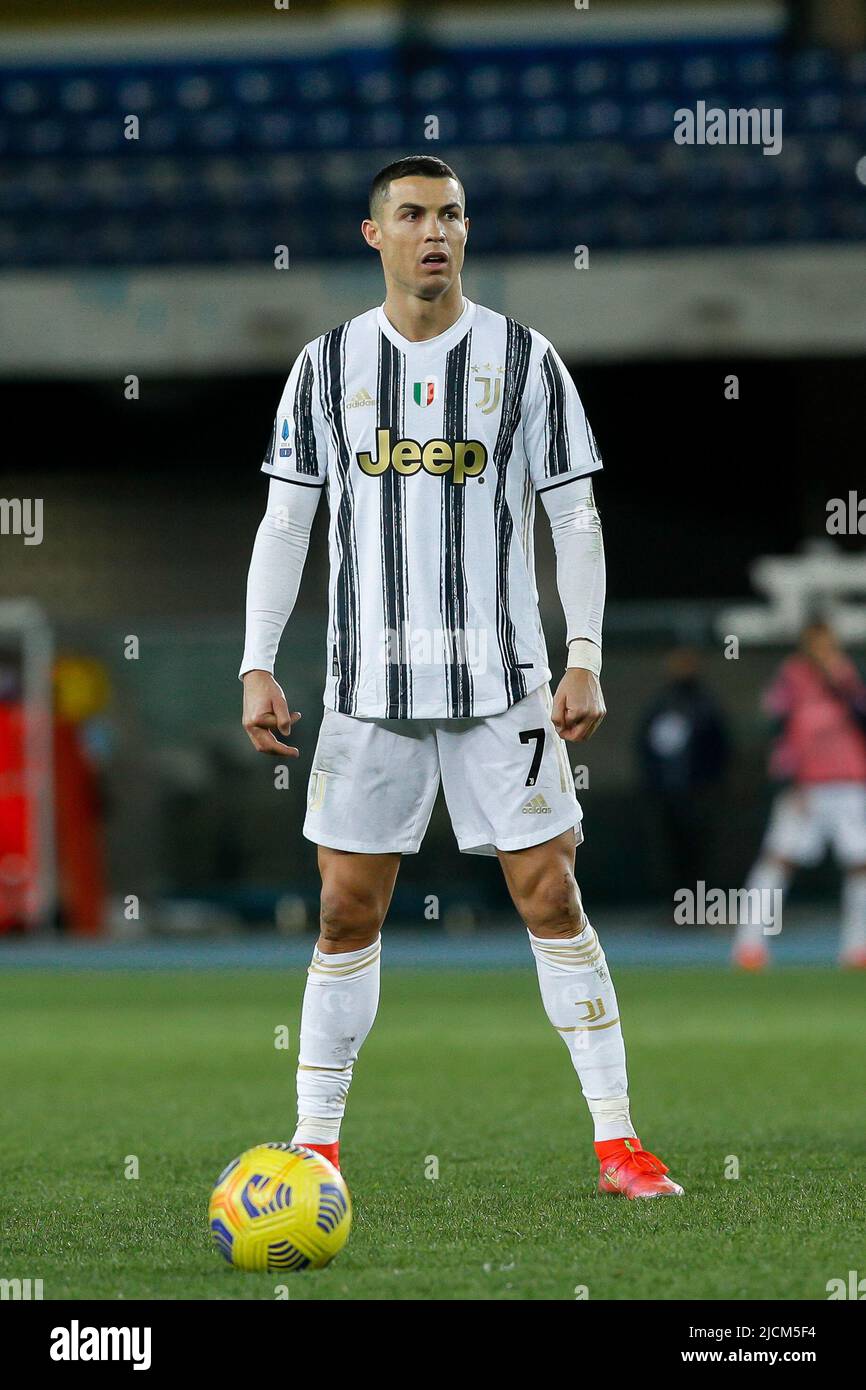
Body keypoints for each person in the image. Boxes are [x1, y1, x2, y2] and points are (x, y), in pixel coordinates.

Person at [239, 155, 682, 1199]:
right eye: (411, 215)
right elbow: (286, 520)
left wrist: (582, 655)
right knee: (345, 911)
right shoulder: (324, 364)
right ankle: (315, 1145)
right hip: (366, 686)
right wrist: (257, 660)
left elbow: (573, 516)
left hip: (503, 683)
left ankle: (618, 1143)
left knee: (549, 891)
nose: (432, 231)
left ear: (463, 232)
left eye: (448, 215)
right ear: (373, 234)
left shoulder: (525, 360)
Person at [733, 620, 866, 969]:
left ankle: (858, 948)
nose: (825, 648)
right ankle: (749, 945)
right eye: (818, 642)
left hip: (849, 784)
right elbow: (777, 730)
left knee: (860, 864)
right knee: (779, 860)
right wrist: (789, 780)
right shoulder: (791, 677)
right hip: (805, 787)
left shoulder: (846, 675)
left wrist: (842, 684)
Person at [637, 647, 730, 908]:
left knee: (700, 850)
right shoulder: (660, 705)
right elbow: (645, 747)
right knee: (670, 850)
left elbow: (720, 748)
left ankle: (699, 907)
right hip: (666, 794)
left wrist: (714, 784)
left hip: (699, 793)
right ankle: (676, 906)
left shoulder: (706, 705)